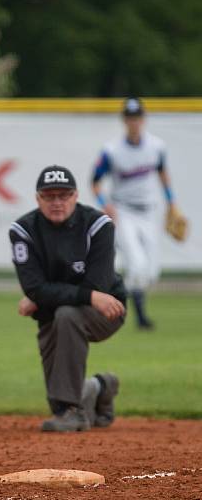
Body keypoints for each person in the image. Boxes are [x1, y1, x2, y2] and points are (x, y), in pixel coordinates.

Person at [9, 165, 125, 433]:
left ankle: (74, 412)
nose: (57, 202)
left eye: (64, 195)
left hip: (108, 308)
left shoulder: (98, 225)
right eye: (49, 196)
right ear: (38, 199)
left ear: (76, 196)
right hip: (55, 310)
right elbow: (33, 288)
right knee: (56, 403)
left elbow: (98, 285)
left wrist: (44, 295)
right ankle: (99, 388)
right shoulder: (23, 230)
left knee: (67, 315)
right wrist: (42, 295)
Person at [91, 97, 177, 330]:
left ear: (143, 119)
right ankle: (136, 315)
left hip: (149, 211)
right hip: (123, 211)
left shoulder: (156, 146)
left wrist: (172, 204)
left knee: (151, 272)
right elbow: (95, 181)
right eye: (130, 118)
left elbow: (163, 174)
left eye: (137, 117)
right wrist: (104, 203)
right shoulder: (112, 150)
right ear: (124, 121)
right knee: (136, 264)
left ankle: (126, 300)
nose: (134, 122)